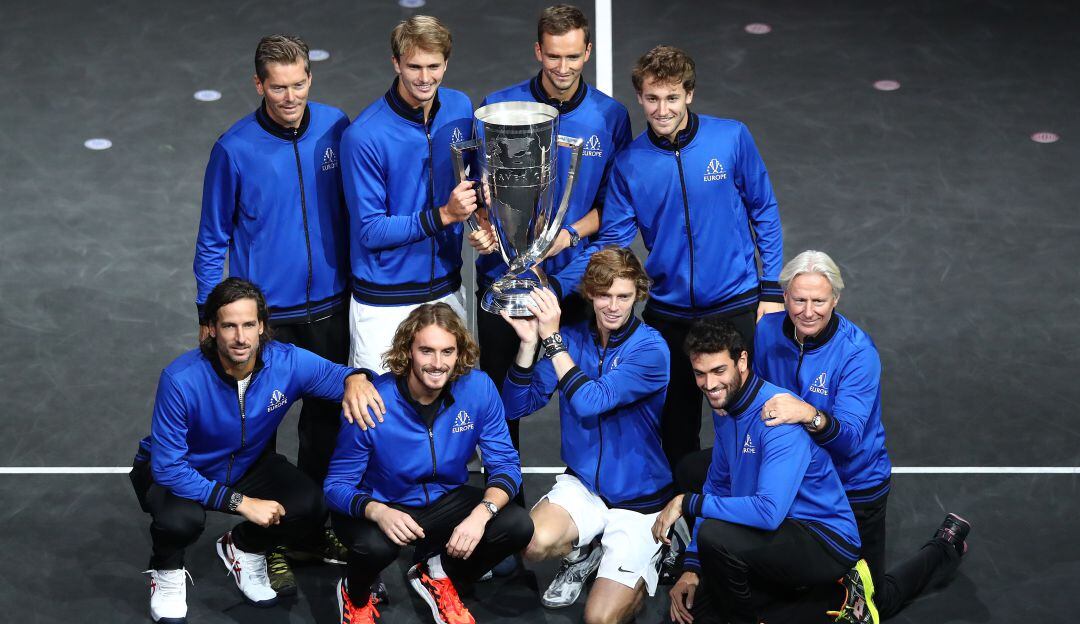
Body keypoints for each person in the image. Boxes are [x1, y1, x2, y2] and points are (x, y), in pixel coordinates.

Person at [468, 2, 633, 575]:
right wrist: (481, 229)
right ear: (538, 51)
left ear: (587, 53)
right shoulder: (501, 108)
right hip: (506, 282)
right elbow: (477, 191)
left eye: (573, 56)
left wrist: (568, 234)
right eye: (553, 56)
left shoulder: (610, 118)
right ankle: (500, 526)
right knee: (496, 405)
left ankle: (596, 517)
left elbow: (615, 204)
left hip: (576, 283)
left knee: (588, 394)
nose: (563, 67)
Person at [192, 34, 360, 591]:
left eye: (298, 85)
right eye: (277, 87)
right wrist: (207, 311)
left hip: (332, 306)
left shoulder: (337, 126)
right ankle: (261, 538)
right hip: (269, 318)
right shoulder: (234, 149)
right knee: (259, 432)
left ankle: (306, 529)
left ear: (310, 79)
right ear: (258, 84)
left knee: (325, 425)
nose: (289, 97)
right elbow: (212, 239)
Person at [130, 278, 384, 623]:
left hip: (247, 464)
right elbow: (169, 469)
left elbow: (341, 376)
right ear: (210, 330)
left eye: (249, 324)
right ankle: (166, 570)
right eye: (229, 326)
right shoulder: (181, 379)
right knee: (181, 522)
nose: (241, 337)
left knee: (310, 504)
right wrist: (241, 503)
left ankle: (244, 548)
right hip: (182, 471)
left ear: (262, 326)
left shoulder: (286, 362)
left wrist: (357, 378)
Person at [590, 45, 784, 471]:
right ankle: (683, 515)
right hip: (670, 314)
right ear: (640, 98)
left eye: (672, 97)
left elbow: (764, 210)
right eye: (653, 98)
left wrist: (771, 290)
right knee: (676, 427)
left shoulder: (731, 137)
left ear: (689, 95)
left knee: (750, 415)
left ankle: (752, 506)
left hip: (736, 304)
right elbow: (616, 248)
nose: (662, 109)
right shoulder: (629, 164)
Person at [752, 250, 970, 618]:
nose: (808, 311)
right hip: (796, 482)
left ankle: (944, 547)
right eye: (799, 299)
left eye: (818, 301)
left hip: (854, 487)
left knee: (868, 605)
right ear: (784, 297)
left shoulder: (858, 354)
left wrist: (806, 412)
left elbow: (849, 439)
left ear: (835, 299)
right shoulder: (766, 332)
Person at [652, 316, 875, 624]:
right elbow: (717, 486)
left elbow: (768, 511)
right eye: (700, 374)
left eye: (719, 371)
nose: (710, 384)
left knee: (717, 539)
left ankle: (842, 591)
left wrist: (686, 502)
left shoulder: (777, 417)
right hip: (778, 530)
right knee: (695, 614)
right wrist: (692, 568)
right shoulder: (725, 405)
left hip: (822, 538)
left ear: (741, 360)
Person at [324, 303, 533, 624]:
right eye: (427, 351)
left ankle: (436, 572)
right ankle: (354, 594)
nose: (437, 363)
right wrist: (378, 511)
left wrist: (481, 514)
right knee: (374, 548)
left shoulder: (478, 389)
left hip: (442, 501)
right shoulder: (372, 400)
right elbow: (335, 487)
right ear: (408, 350)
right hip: (381, 503)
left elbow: (506, 464)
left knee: (517, 525)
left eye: (447, 351)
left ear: (459, 352)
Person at [500, 247, 672, 622]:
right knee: (530, 543)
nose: (613, 305)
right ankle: (585, 552)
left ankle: (650, 556)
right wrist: (530, 345)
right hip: (584, 487)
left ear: (638, 295)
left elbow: (591, 401)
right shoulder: (575, 340)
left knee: (600, 618)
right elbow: (516, 408)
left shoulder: (651, 349)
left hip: (639, 501)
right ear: (590, 293)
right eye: (604, 294)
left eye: (624, 296)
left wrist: (553, 341)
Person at [341, 15, 477, 373]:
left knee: (450, 410)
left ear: (446, 63)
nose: (424, 77)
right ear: (396, 63)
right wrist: (444, 215)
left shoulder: (461, 109)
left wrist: (486, 217)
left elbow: (473, 177)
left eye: (434, 66)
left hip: (446, 289)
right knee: (377, 416)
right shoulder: (364, 136)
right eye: (414, 66)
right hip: (384, 302)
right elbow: (371, 231)